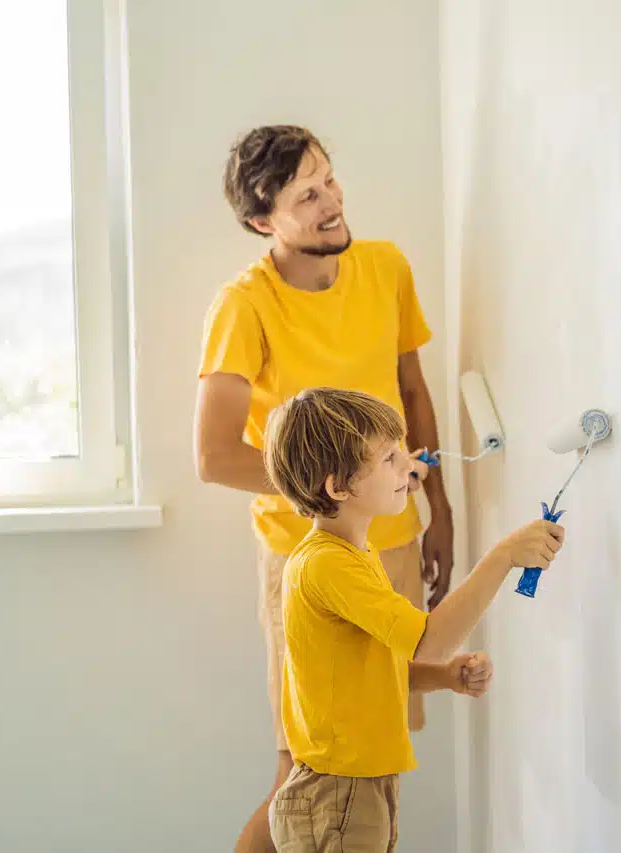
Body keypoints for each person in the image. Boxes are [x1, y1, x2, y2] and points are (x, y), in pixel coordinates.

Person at [194, 125, 454, 853]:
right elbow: (215, 457)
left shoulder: (386, 267)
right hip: (306, 561)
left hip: (395, 542)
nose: (332, 203)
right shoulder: (243, 305)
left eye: (331, 181)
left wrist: (440, 510)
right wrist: (329, 491)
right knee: (306, 769)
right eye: (307, 196)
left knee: (373, 757)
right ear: (261, 221)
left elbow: (412, 390)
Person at [263, 387, 565, 852]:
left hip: (357, 789)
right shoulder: (327, 565)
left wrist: (443, 677)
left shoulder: (350, 555)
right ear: (338, 488)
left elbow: (362, 671)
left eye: (402, 452)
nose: (407, 465)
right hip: (337, 796)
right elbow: (429, 639)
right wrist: (503, 556)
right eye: (389, 458)